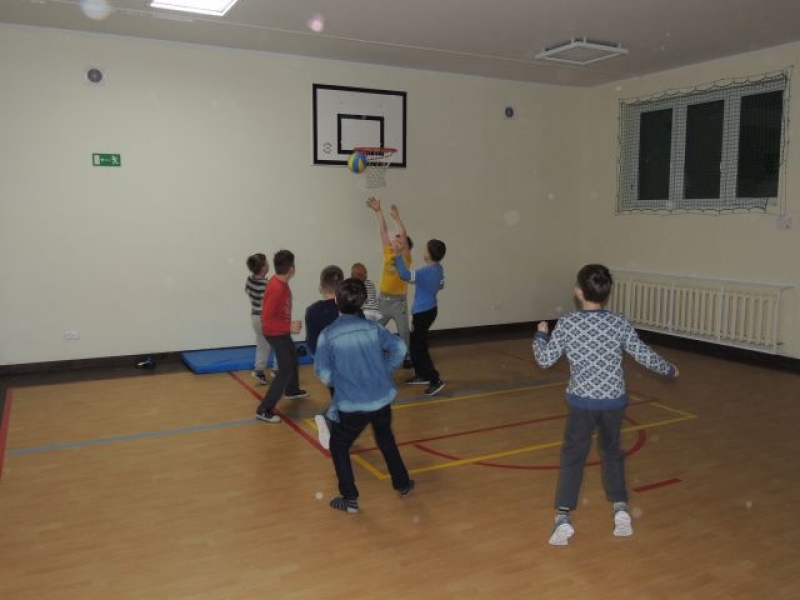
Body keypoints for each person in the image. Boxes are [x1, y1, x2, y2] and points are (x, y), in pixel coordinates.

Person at [533, 264, 679, 546]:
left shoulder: (568, 323)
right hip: (613, 402)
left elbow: (545, 359)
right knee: (612, 452)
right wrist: (668, 369)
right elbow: (642, 353)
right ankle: (621, 510)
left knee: (573, 456)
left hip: (582, 403)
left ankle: (563, 518)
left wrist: (540, 335)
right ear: (606, 292)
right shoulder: (618, 322)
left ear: (578, 291)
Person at [314, 278, 415, 514]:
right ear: (362, 302)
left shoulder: (328, 334)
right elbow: (400, 348)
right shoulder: (374, 328)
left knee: (339, 445)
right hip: (381, 399)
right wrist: (385, 370)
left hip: (352, 404)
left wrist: (340, 381)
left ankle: (350, 498)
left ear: (336, 301)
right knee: (385, 439)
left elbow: (324, 372)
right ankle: (402, 484)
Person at [255, 249, 309, 424]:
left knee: (292, 357)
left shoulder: (279, 281)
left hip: (280, 331)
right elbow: (266, 320)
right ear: (291, 269)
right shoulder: (277, 287)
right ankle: (264, 409)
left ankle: (291, 390)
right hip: (275, 333)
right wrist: (288, 326)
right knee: (285, 368)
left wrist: (286, 326)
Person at [391, 237, 447, 396]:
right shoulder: (438, 269)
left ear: (428, 254)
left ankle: (435, 380)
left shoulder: (425, 272)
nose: (424, 251)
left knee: (418, 348)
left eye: (425, 249)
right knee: (417, 344)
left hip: (423, 313)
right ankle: (422, 375)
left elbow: (404, 274)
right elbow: (441, 285)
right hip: (430, 310)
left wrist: (398, 254)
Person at [365, 197, 413, 368]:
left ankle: (407, 356)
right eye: (394, 240)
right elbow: (383, 231)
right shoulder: (388, 253)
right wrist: (378, 211)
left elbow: (403, 235)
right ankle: (372, 352)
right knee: (374, 327)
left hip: (399, 302)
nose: (394, 241)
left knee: (403, 330)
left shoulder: (405, 258)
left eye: (399, 241)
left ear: (405, 247)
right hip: (383, 300)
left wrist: (397, 218)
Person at [305, 265, 344, 448]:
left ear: (321, 286)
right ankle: (328, 419)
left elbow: (311, 343)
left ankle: (337, 433)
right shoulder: (347, 308)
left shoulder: (312, 310)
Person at [245, 253, 272, 385]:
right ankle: (278, 369)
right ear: (263, 268)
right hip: (265, 318)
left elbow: (248, 291)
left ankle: (259, 371)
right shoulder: (267, 284)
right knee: (279, 343)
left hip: (255, 317)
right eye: (266, 263)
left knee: (262, 344)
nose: (268, 265)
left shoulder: (249, 281)